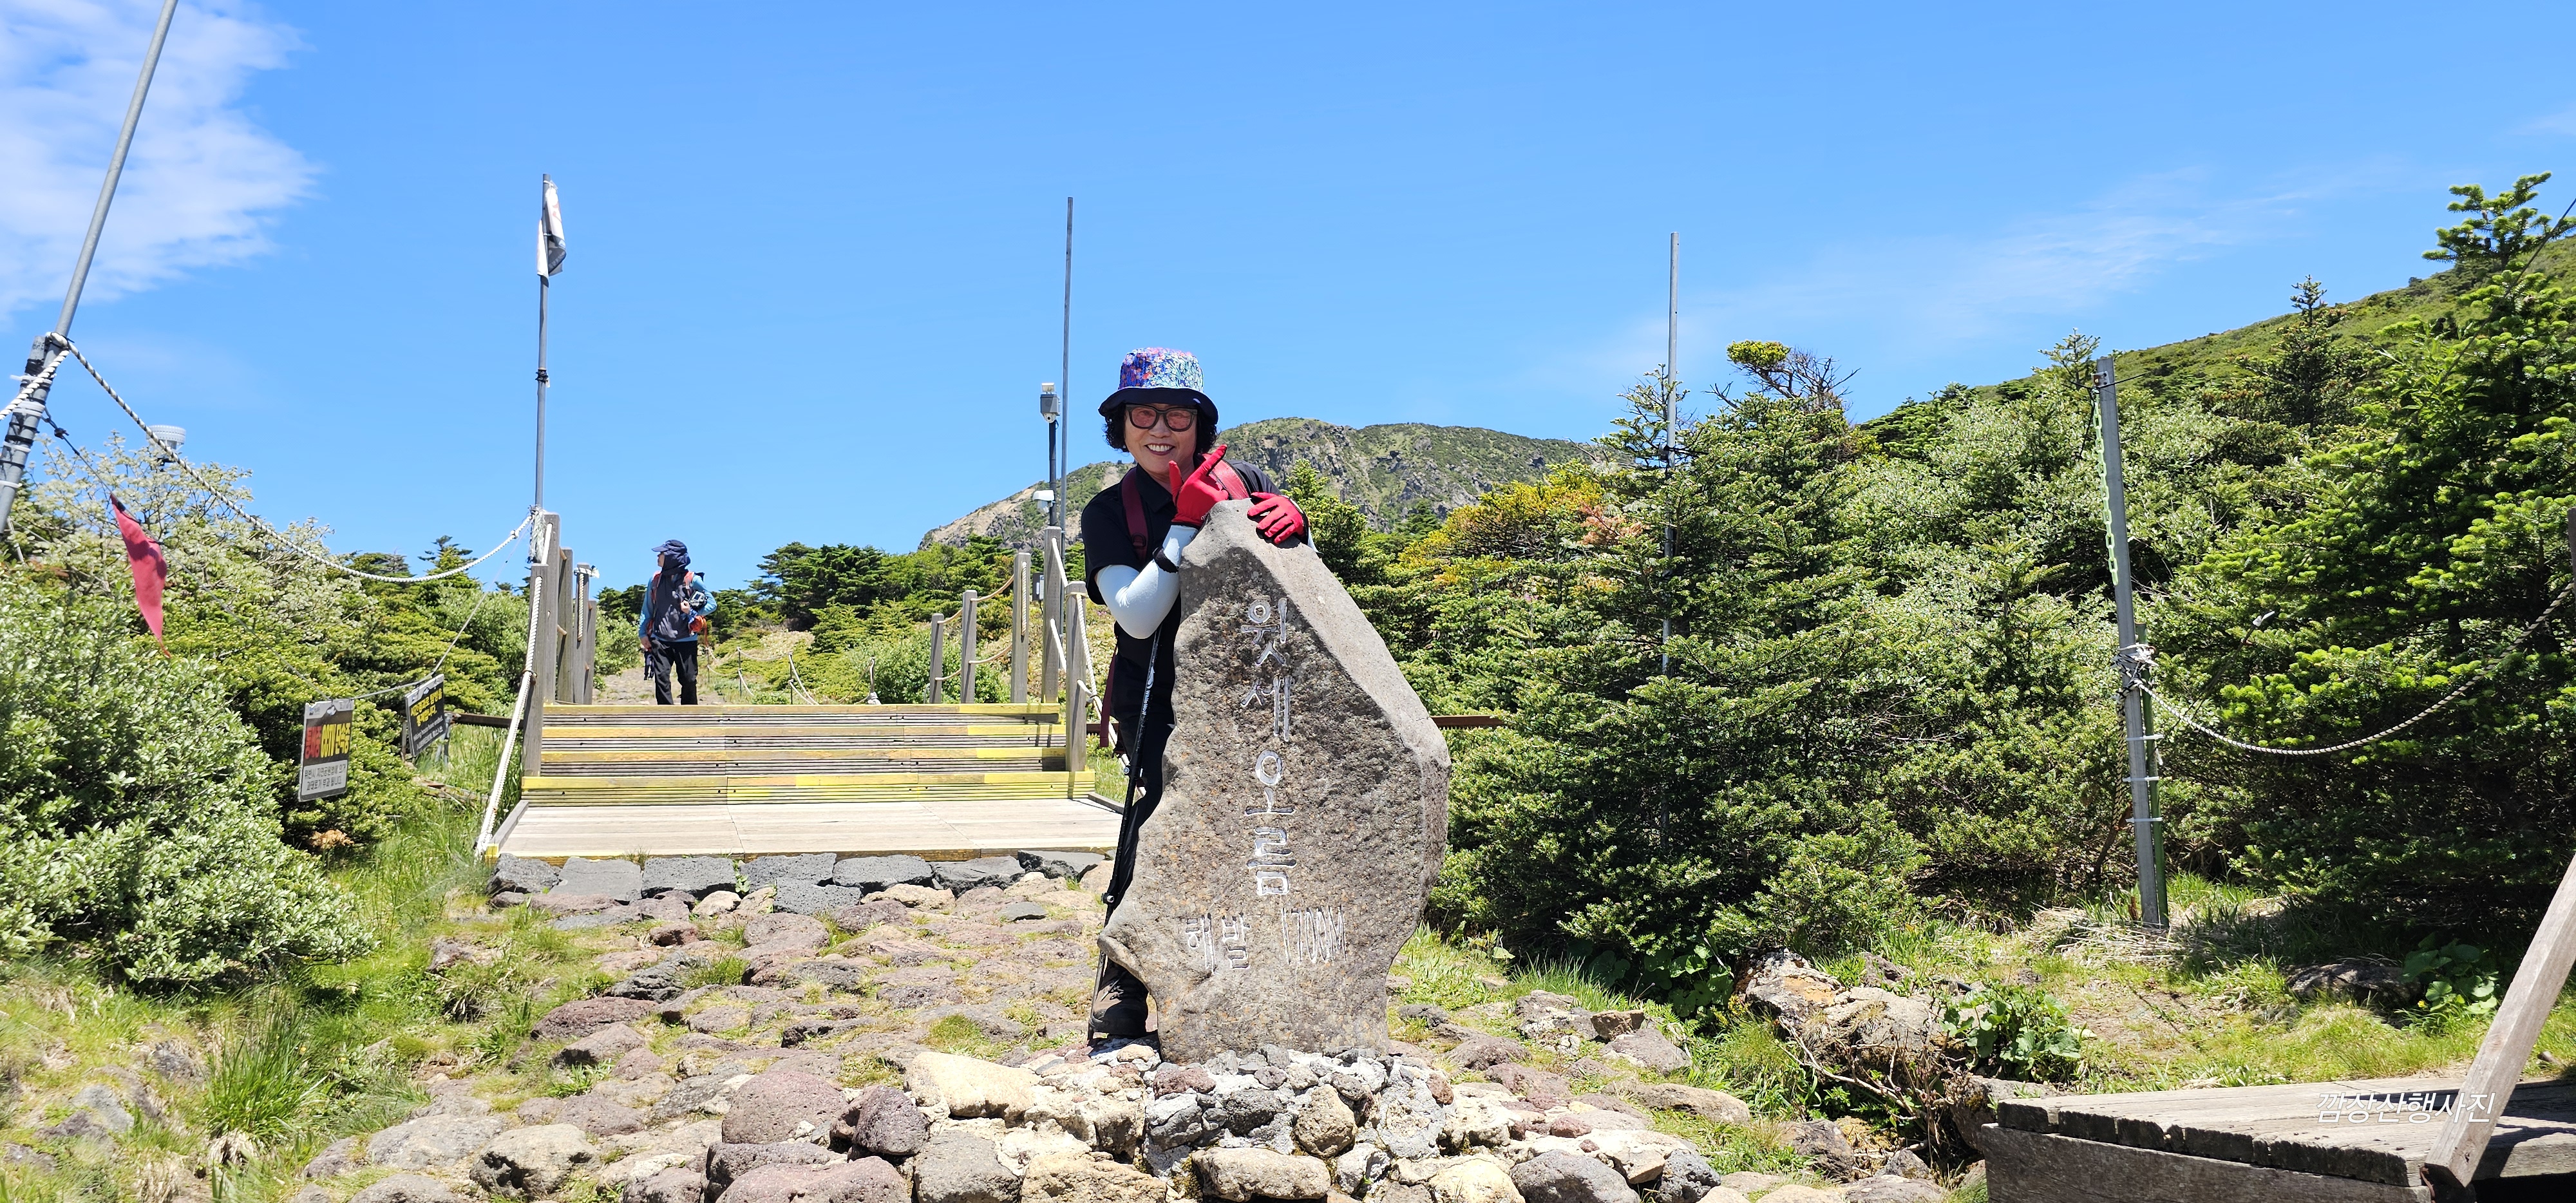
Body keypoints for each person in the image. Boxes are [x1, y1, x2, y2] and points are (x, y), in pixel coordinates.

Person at [1081, 347, 1307, 1039]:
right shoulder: (1108, 511)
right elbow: (1137, 615)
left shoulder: (1245, 480)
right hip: (1154, 691)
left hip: (1248, 686)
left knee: (1255, 821)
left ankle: (1246, 973)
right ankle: (1123, 976)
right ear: (1120, 426)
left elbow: (1293, 581)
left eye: (1178, 415)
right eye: (1142, 414)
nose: (1160, 428)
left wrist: (1296, 529)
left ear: (1200, 425)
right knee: (1154, 819)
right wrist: (1183, 525)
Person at [638, 539, 717, 705]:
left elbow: (712, 604)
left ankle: (690, 715)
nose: (658, 557)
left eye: (661, 554)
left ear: (672, 557)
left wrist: (692, 612)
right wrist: (643, 633)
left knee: (689, 679)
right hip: (660, 638)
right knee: (661, 678)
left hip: (686, 639)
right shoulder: (655, 580)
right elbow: (647, 609)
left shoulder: (693, 580)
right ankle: (666, 716)